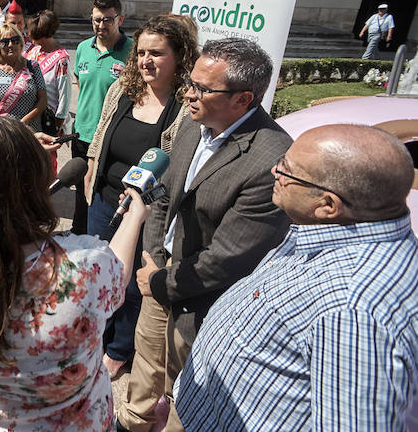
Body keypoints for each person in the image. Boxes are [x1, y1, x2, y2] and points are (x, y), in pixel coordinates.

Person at [0, 116, 152, 431]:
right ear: (34, 186)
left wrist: (14, 152)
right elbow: (118, 276)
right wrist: (135, 216)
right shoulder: (83, 269)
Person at [176, 124, 418, 431]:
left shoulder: (354, 311)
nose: (274, 170)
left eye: (287, 171)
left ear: (328, 205)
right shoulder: (333, 231)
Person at [116, 37, 292, 432]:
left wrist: (160, 281)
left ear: (243, 99)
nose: (188, 95)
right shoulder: (195, 124)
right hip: (159, 280)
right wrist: (153, 261)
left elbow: (229, 258)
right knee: (142, 382)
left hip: (204, 306)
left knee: (188, 402)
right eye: (189, 83)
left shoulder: (270, 159)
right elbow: (162, 197)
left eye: (201, 88)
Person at [84, 14, 199, 381]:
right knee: (97, 271)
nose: (146, 60)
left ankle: (118, 349)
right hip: (103, 199)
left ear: (180, 56)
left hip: (146, 210)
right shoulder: (122, 89)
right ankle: (95, 336)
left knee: (132, 280)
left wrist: (148, 205)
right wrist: (90, 166)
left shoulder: (185, 107)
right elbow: (102, 132)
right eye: (142, 52)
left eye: (158, 53)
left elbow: (178, 168)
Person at [71, 0, 131, 235]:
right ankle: (78, 234)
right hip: (81, 135)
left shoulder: (133, 52)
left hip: (110, 138)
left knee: (102, 194)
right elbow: (80, 82)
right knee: (80, 192)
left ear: (120, 19)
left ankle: (100, 239)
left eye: (107, 19)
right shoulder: (83, 48)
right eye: (97, 19)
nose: (101, 25)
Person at [0, 22, 47, 131]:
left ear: (21, 43)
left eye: (15, 40)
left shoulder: (33, 67)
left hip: (30, 132)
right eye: (4, 42)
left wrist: (24, 123)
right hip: (3, 134)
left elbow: (43, 101)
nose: (10, 45)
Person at [25, 10, 72, 135]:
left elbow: (64, 97)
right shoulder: (33, 52)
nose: (27, 33)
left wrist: (58, 123)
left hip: (48, 121)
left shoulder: (61, 60)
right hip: (30, 116)